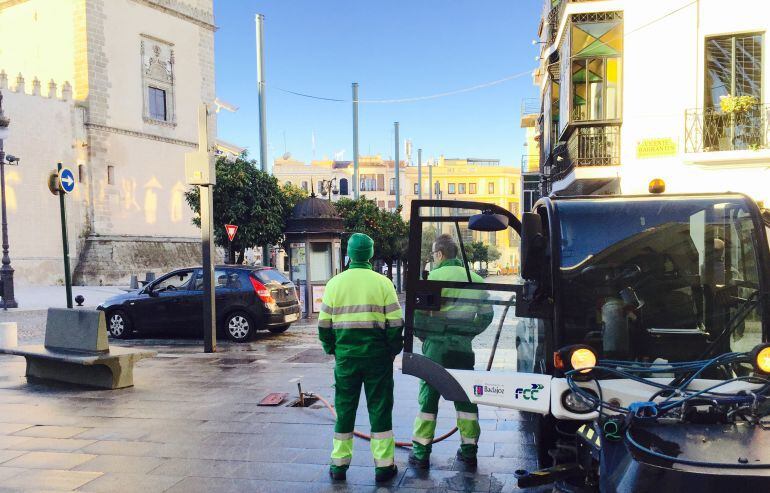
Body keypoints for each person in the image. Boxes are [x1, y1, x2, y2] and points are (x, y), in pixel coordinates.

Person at [318, 233, 404, 483]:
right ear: (370, 253)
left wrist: (332, 349)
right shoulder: (383, 283)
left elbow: (324, 326)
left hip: (346, 359)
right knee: (380, 409)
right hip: (377, 359)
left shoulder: (335, 284)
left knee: (344, 410)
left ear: (349, 253)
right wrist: (392, 350)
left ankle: (339, 465)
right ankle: (384, 467)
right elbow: (396, 325)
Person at [409, 234, 494, 470]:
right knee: (465, 398)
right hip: (462, 349)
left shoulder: (432, 278)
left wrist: (425, 336)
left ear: (439, 254)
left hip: (435, 348)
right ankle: (469, 452)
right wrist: (468, 332)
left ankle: (421, 453)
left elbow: (418, 316)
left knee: (428, 399)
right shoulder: (476, 279)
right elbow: (487, 315)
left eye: (433, 255)